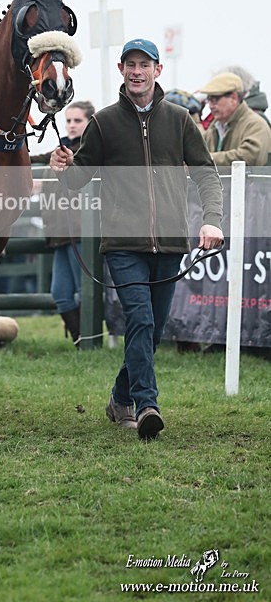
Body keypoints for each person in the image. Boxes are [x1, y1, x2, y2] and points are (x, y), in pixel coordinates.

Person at [50, 38, 224, 439]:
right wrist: (65, 167)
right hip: (122, 244)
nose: (137, 71)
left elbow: (206, 175)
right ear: (121, 69)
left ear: (157, 70)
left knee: (151, 328)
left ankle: (118, 397)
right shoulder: (104, 122)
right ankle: (146, 405)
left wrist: (212, 220)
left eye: (144, 64)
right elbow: (79, 180)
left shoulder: (181, 120)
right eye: (130, 64)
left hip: (170, 244)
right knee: (141, 320)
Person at [31, 101, 95, 347]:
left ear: (90, 122)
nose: (71, 125)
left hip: (80, 231)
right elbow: (34, 157)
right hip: (59, 233)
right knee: (61, 294)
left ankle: (91, 343)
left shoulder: (90, 151)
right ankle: (82, 343)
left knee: (84, 291)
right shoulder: (62, 149)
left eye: (77, 120)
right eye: (68, 120)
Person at [197, 72, 271, 166]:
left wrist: (205, 159)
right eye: (209, 99)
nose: (211, 106)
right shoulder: (214, 128)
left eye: (215, 99)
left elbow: (248, 157)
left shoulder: (256, 125)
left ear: (233, 98)